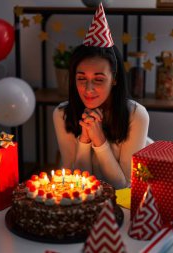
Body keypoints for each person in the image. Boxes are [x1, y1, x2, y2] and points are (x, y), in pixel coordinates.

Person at [52, 4, 149, 189]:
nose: (88, 89)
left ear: (114, 79)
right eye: (81, 78)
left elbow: (123, 187)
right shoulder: (61, 114)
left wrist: (99, 139)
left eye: (98, 79)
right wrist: (84, 140)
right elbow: (78, 182)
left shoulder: (137, 115)